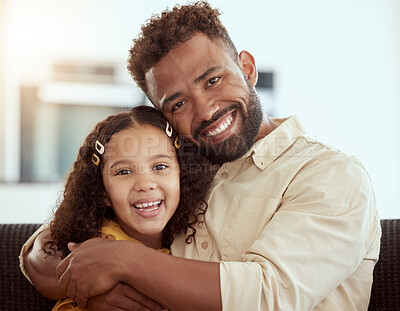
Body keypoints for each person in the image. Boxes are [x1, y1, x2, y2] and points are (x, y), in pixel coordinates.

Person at [20, 2, 380, 310]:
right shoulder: (179, 175)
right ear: (164, 116)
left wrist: (121, 261)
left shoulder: (329, 174)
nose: (205, 110)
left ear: (248, 69)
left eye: (213, 80)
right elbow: (41, 249)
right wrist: (92, 287)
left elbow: (267, 295)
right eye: (178, 102)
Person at [25, 105, 212, 310]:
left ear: (182, 175)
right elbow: (43, 261)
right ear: (102, 191)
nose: (145, 183)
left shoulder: (192, 246)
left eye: (159, 167)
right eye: (123, 171)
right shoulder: (91, 247)